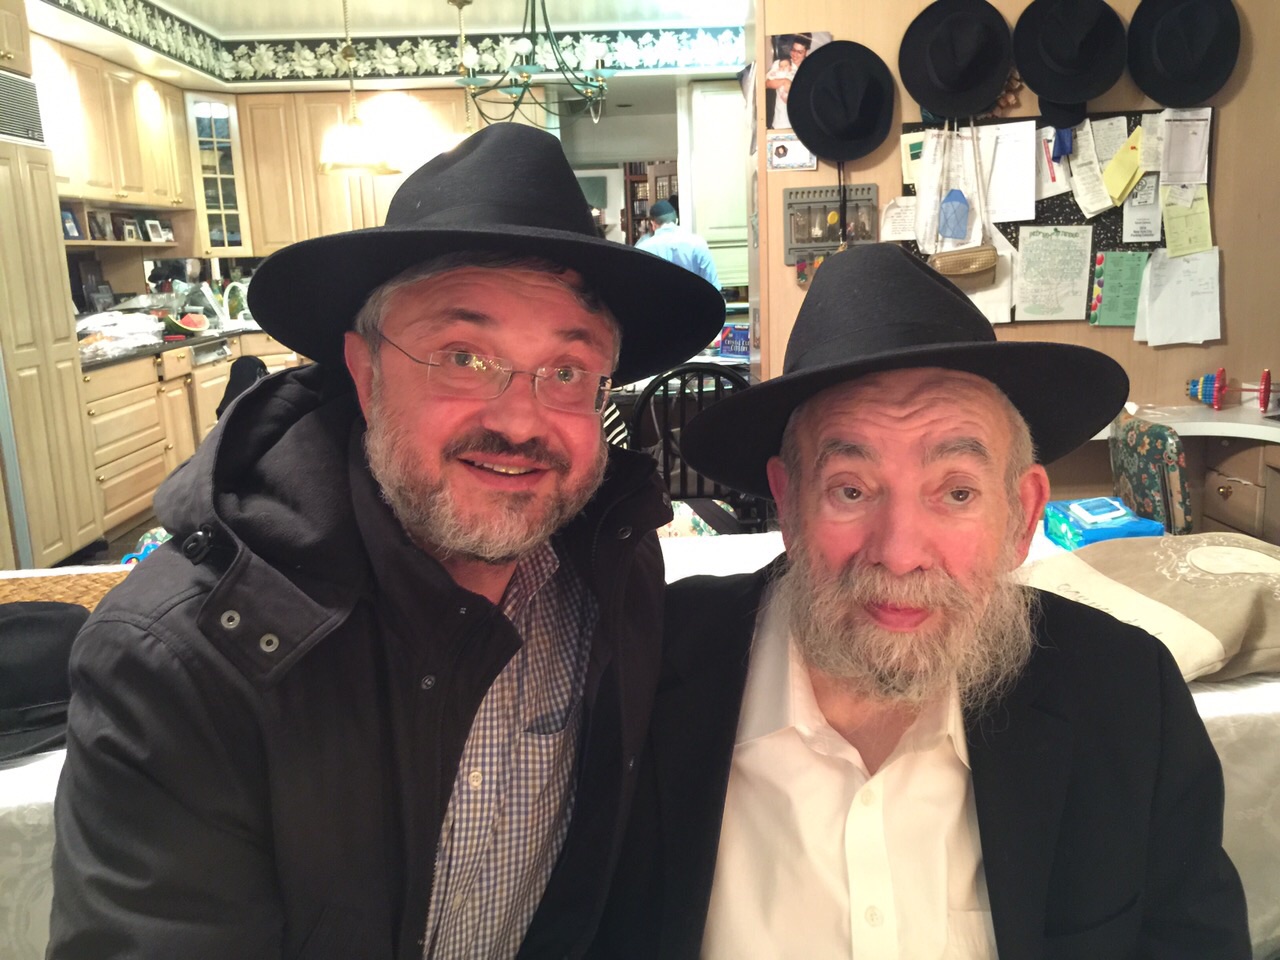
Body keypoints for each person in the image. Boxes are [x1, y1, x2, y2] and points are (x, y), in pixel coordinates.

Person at [48, 124, 725, 959]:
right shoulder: (183, 666)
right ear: (366, 374)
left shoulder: (609, 566)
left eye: (566, 371)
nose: (520, 421)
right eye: (463, 356)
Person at [591, 244, 1250, 958]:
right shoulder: (639, 671)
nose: (900, 552)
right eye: (850, 490)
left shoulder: (1126, 697)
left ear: (1022, 516)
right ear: (788, 503)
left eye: (957, 493)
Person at [635, 200, 719, 289]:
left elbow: (637, 284)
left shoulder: (642, 248)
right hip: (692, 297)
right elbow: (712, 284)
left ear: (653, 223)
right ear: (676, 220)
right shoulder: (698, 243)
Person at [765, 33, 812, 129]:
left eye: (799, 52)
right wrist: (784, 81)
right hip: (782, 122)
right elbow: (766, 84)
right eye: (793, 50)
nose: (795, 55)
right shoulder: (781, 64)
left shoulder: (810, 68)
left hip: (803, 122)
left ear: (806, 52)